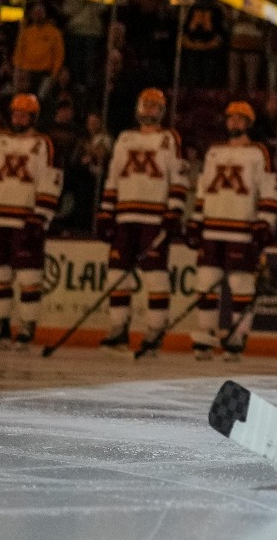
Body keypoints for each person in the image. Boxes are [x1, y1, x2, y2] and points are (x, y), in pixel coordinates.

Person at [94, 89, 186, 354]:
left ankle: (155, 331)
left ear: (163, 111)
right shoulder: (124, 138)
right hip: (125, 216)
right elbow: (113, 178)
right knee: (116, 274)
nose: (150, 110)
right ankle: (118, 329)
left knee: (156, 276)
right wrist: (105, 212)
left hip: (154, 217)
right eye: (146, 105)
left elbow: (178, 178)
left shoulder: (170, 139)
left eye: (155, 107)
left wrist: (174, 211)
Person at [188, 102, 277, 361]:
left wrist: (265, 221)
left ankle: (237, 338)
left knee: (241, 285)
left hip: (241, 229)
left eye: (240, 119)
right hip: (212, 229)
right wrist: (196, 219)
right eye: (231, 118)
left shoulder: (258, 152)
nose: (235, 123)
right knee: (205, 283)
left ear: (249, 123)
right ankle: (206, 337)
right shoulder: (214, 151)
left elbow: (269, 189)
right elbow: (203, 189)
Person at [0, 94, 61, 351]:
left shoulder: (44, 143)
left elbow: (52, 181)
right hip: (0, 217)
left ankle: (27, 325)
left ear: (33, 117)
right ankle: (1, 325)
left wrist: (40, 216)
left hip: (26, 218)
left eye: (24, 114)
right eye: (15, 114)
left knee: (29, 276)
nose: (18, 118)